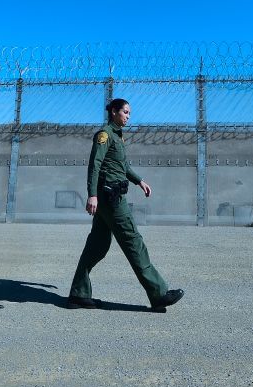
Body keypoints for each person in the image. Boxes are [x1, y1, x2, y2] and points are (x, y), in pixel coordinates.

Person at [67, 98, 184, 311]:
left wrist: (139, 181)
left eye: (129, 113)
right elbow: (95, 165)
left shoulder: (117, 137)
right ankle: (159, 293)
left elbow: (123, 166)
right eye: (126, 112)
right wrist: (91, 194)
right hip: (110, 199)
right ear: (114, 111)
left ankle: (78, 294)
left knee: (97, 247)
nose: (128, 116)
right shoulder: (104, 135)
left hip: (109, 197)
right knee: (133, 241)